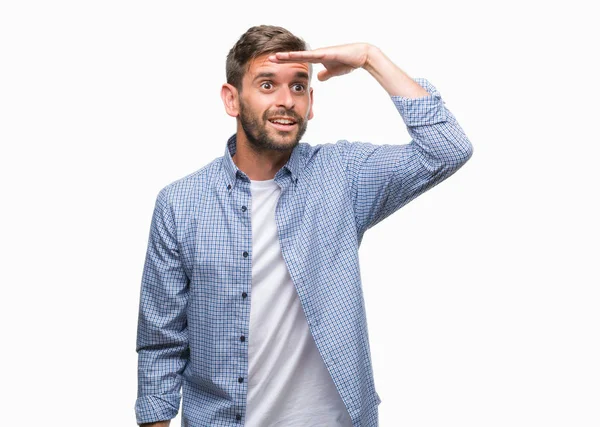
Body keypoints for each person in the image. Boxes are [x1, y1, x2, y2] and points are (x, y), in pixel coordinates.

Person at [135, 24, 473, 427]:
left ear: (311, 102)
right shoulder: (180, 203)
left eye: (298, 87)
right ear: (232, 99)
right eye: (266, 85)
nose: (286, 101)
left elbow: (448, 149)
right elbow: (161, 341)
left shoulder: (342, 175)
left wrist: (370, 58)